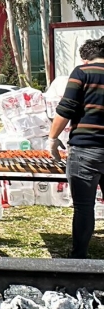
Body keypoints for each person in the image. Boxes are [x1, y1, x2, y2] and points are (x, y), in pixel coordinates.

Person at [47, 38, 104, 259]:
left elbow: (66, 108)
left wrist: (52, 138)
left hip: (85, 150)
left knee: (84, 207)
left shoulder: (82, 72)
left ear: (85, 57)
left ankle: (79, 257)